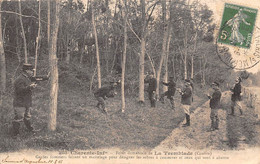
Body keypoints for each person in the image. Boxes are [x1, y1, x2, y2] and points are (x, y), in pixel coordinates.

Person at [12, 63, 48, 138]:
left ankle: (30, 129)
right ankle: (15, 134)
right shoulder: (20, 79)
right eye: (31, 70)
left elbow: (36, 78)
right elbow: (19, 90)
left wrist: (46, 77)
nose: (32, 72)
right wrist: (30, 87)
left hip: (26, 102)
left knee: (27, 116)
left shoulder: (28, 77)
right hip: (20, 102)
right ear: (26, 71)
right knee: (19, 118)